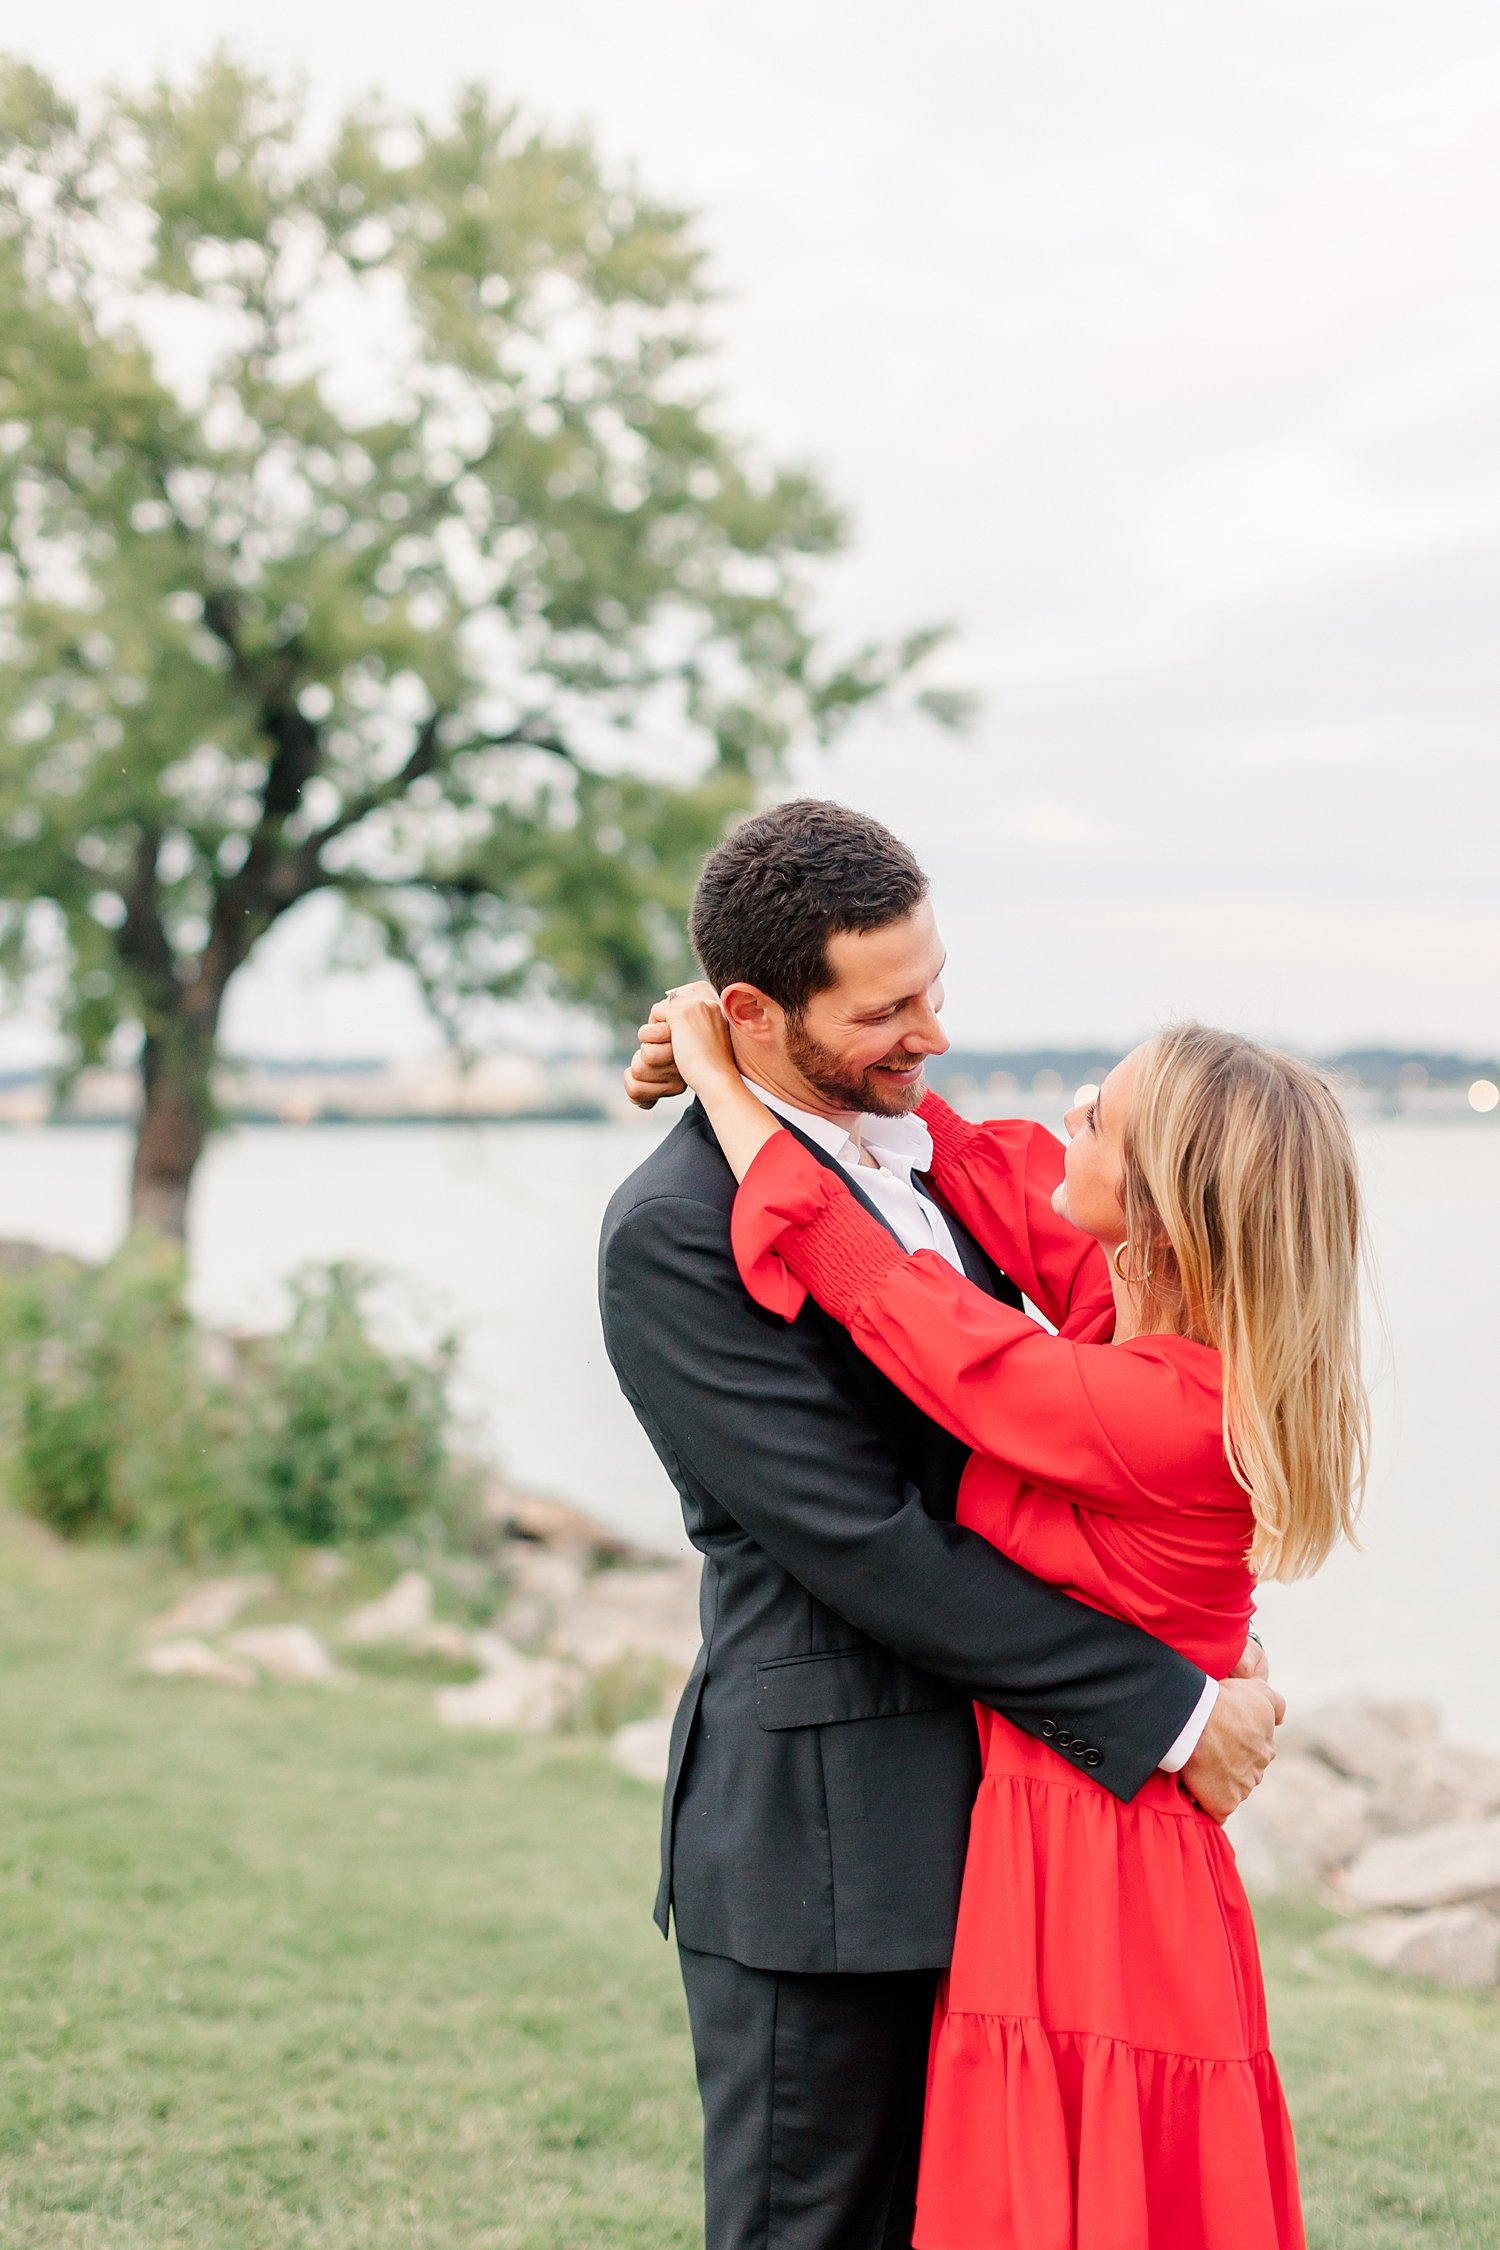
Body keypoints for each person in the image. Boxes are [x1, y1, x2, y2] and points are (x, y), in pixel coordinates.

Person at [598, 799, 1282, 2250]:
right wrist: (1168, 1707)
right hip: (828, 1860)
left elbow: (1112, 1358)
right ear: (755, 1013)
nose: (934, 1032)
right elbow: (862, 1539)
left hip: (1009, 1844)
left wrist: (1217, 1624)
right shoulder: (674, 1231)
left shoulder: (925, 1158)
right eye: (888, 1006)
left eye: (936, 984)